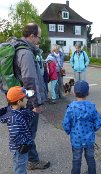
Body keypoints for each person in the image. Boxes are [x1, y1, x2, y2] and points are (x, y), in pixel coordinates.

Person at [13, 23, 50, 170]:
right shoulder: (26, 53)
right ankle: (31, 161)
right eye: (39, 37)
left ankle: (31, 158)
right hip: (28, 101)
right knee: (28, 133)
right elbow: (29, 81)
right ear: (32, 36)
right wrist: (36, 104)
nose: (39, 41)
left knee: (26, 131)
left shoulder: (21, 49)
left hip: (21, 98)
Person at [62, 80, 101, 174]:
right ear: (88, 93)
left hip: (76, 139)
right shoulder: (91, 107)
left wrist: (69, 131)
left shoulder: (71, 107)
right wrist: (93, 129)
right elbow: (98, 122)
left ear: (75, 93)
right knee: (90, 158)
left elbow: (66, 123)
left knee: (76, 160)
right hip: (89, 139)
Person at [0, 86, 36, 174]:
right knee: (20, 168)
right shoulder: (14, 118)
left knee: (21, 166)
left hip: (21, 147)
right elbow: (15, 135)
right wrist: (26, 142)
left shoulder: (16, 109)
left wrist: (32, 112)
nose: (27, 99)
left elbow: (24, 113)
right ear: (19, 101)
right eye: (25, 98)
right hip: (19, 148)